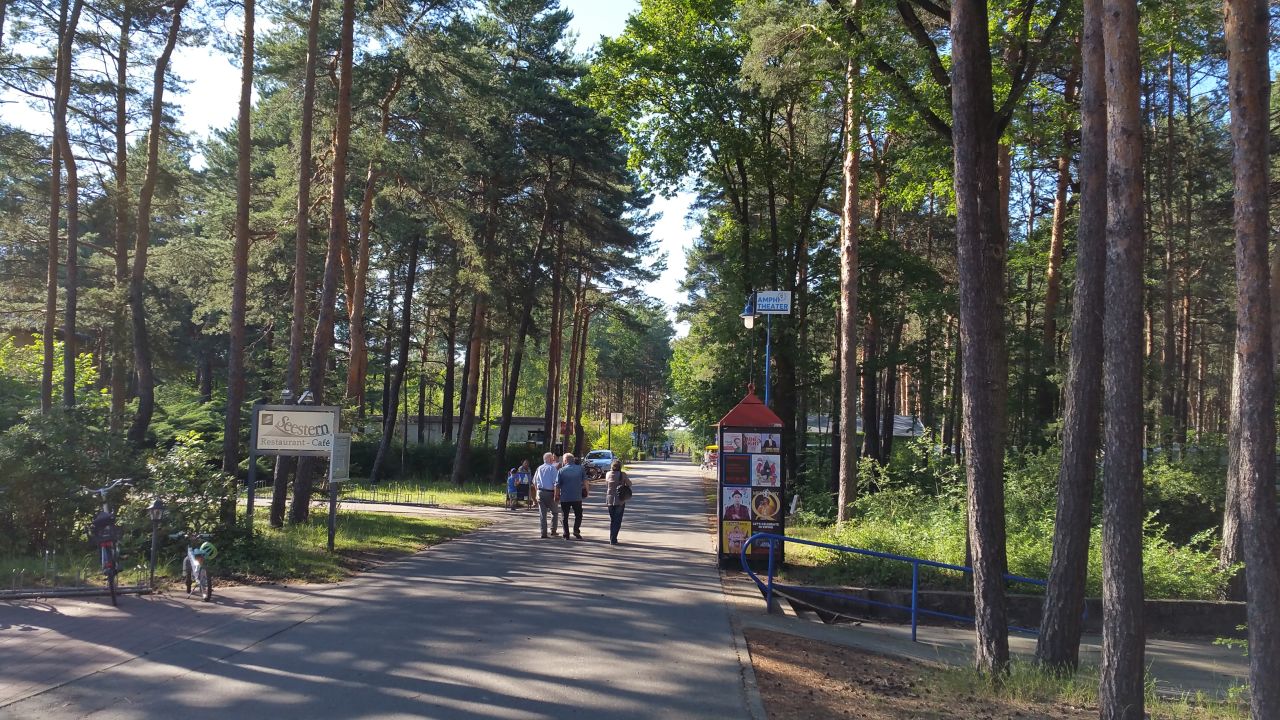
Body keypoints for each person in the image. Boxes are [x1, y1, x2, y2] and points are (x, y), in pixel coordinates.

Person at [556, 452, 587, 540]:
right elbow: (585, 482)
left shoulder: (561, 470)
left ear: (565, 460)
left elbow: (557, 485)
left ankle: (566, 534)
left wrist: (556, 495)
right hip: (577, 497)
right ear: (573, 460)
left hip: (565, 497)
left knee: (564, 516)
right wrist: (587, 491)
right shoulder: (580, 469)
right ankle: (576, 530)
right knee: (579, 514)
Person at [605, 459, 633, 545]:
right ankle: (613, 538)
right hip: (620, 499)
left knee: (613, 519)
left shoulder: (608, 474)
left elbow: (606, 484)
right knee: (617, 520)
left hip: (609, 499)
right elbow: (630, 484)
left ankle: (612, 537)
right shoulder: (622, 474)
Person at [533, 452, 560, 537]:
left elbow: (534, 481)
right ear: (548, 459)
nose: (553, 459)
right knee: (555, 512)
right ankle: (553, 530)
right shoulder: (552, 468)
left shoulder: (539, 468)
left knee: (542, 514)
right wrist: (556, 495)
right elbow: (556, 483)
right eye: (552, 458)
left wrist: (537, 492)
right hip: (550, 493)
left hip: (540, 492)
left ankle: (543, 532)